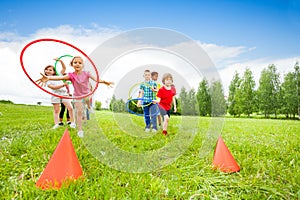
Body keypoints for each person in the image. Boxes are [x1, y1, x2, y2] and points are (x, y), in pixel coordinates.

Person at [36, 56, 114, 137]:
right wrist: (48, 78)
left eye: (80, 63)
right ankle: (80, 130)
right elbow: (60, 77)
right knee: (79, 112)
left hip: (87, 94)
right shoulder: (70, 75)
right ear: (72, 64)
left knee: (87, 101)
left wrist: (104, 82)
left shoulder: (87, 73)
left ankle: (89, 106)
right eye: (75, 62)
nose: (77, 64)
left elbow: (96, 79)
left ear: (83, 65)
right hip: (77, 96)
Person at [43, 63, 76, 129]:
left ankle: (72, 123)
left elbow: (64, 68)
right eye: (47, 69)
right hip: (55, 95)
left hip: (64, 94)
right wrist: (63, 85)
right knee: (56, 110)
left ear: (54, 72)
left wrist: (60, 61)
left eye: (50, 70)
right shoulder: (47, 80)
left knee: (70, 108)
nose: (48, 71)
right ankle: (56, 124)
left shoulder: (59, 75)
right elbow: (53, 87)